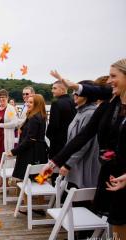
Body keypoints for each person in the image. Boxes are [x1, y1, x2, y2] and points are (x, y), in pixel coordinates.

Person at [41, 60, 126, 238]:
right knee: (117, 226)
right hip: (111, 176)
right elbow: (83, 136)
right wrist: (55, 161)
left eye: (113, 76)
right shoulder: (109, 105)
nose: (109, 81)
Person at [59, 80, 100, 189]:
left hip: (83, 166)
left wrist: (68, 163)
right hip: (73, 164)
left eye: (77, 92)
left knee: (81, 199)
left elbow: (84, 144)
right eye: (73, 91)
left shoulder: (90, 114)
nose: (74, 94)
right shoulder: (80, 112)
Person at [9, 94, 48, 180]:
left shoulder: (34, 118)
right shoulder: (40, 116)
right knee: (38, 179)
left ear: (37, 104)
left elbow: (30, 139)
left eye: (31, 102)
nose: (27, 104)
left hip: (32, 153)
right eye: (27, 102)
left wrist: (14, 151)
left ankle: (27, 193)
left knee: (28, 179)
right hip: (39, 151)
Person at [46, 80, 76, 159]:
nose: (52, 90)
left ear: (62, 89)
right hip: (71, 140)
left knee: (55, 168)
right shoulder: (73, 101)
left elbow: (53, 124)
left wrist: (48, 135)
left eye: (54, 88)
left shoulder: (56, 103)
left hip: (58, 143)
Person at [0, 89, 18, 170]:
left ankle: (5, 179)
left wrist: (0, 125)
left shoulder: (10, 109)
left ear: (7, 98)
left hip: (6, 138)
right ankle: (0, 178)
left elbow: (14, 123)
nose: (1, 99)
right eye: (0, 97)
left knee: (5, 157)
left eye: (3, 97)